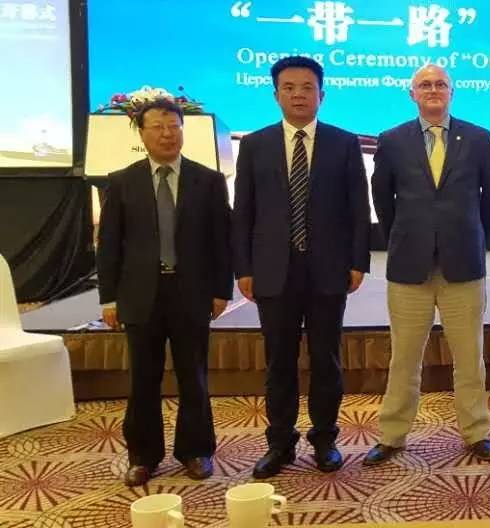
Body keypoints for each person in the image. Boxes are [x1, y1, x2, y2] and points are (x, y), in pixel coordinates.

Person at [232, 56, 371, 478]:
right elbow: (244, 212)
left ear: (321, 95)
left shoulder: (343, 143)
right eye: (289, 87)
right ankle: (280, 443)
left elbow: (358, 209)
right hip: (273, 270)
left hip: (328, 269)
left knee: (326, 359)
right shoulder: (255, 145)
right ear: (276, 94)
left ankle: (325, 439)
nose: (298, 95)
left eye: (307, 87)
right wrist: (243, 268)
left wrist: (358, 261)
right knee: (279, 362)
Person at [363, 65, 490, 466]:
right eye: (425, 84)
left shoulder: (477, 137)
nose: (433, 90)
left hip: (464, 266)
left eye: (441, 84)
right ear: (412, 94)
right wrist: (406, 237)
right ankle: (392, 435)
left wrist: (472, 234)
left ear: (451, 92)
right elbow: (382, 199)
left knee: (470, 357)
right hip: (410, 268)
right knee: (404, 358)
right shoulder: (392, 140)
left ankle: (477, 432)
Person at [97, 98, 231, 486]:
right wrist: (108, 298)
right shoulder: (122, 181)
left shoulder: (208, 180)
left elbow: (221, 241)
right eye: (157, 127)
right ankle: (143, 456)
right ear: (141, 134)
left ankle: (196, 450)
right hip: (139, 295)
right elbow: (109, 245)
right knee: (143, 379)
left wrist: (220, 290)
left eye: (174, 126)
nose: (167, 134)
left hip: (192, 292)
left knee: (194, 377)